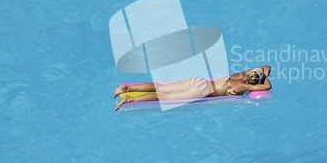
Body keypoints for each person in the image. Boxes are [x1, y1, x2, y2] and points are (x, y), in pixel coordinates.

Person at [114, 66, 272, 110]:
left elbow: (266, 67)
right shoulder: (243, 85)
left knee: (162, 86)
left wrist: (260, 73)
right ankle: (130, 99)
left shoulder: (240, 74)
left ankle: (126, 88)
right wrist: (262, 81)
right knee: (163, 97)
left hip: (198, 81)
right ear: (253, 83)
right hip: (201, 91)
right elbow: (268, 86)